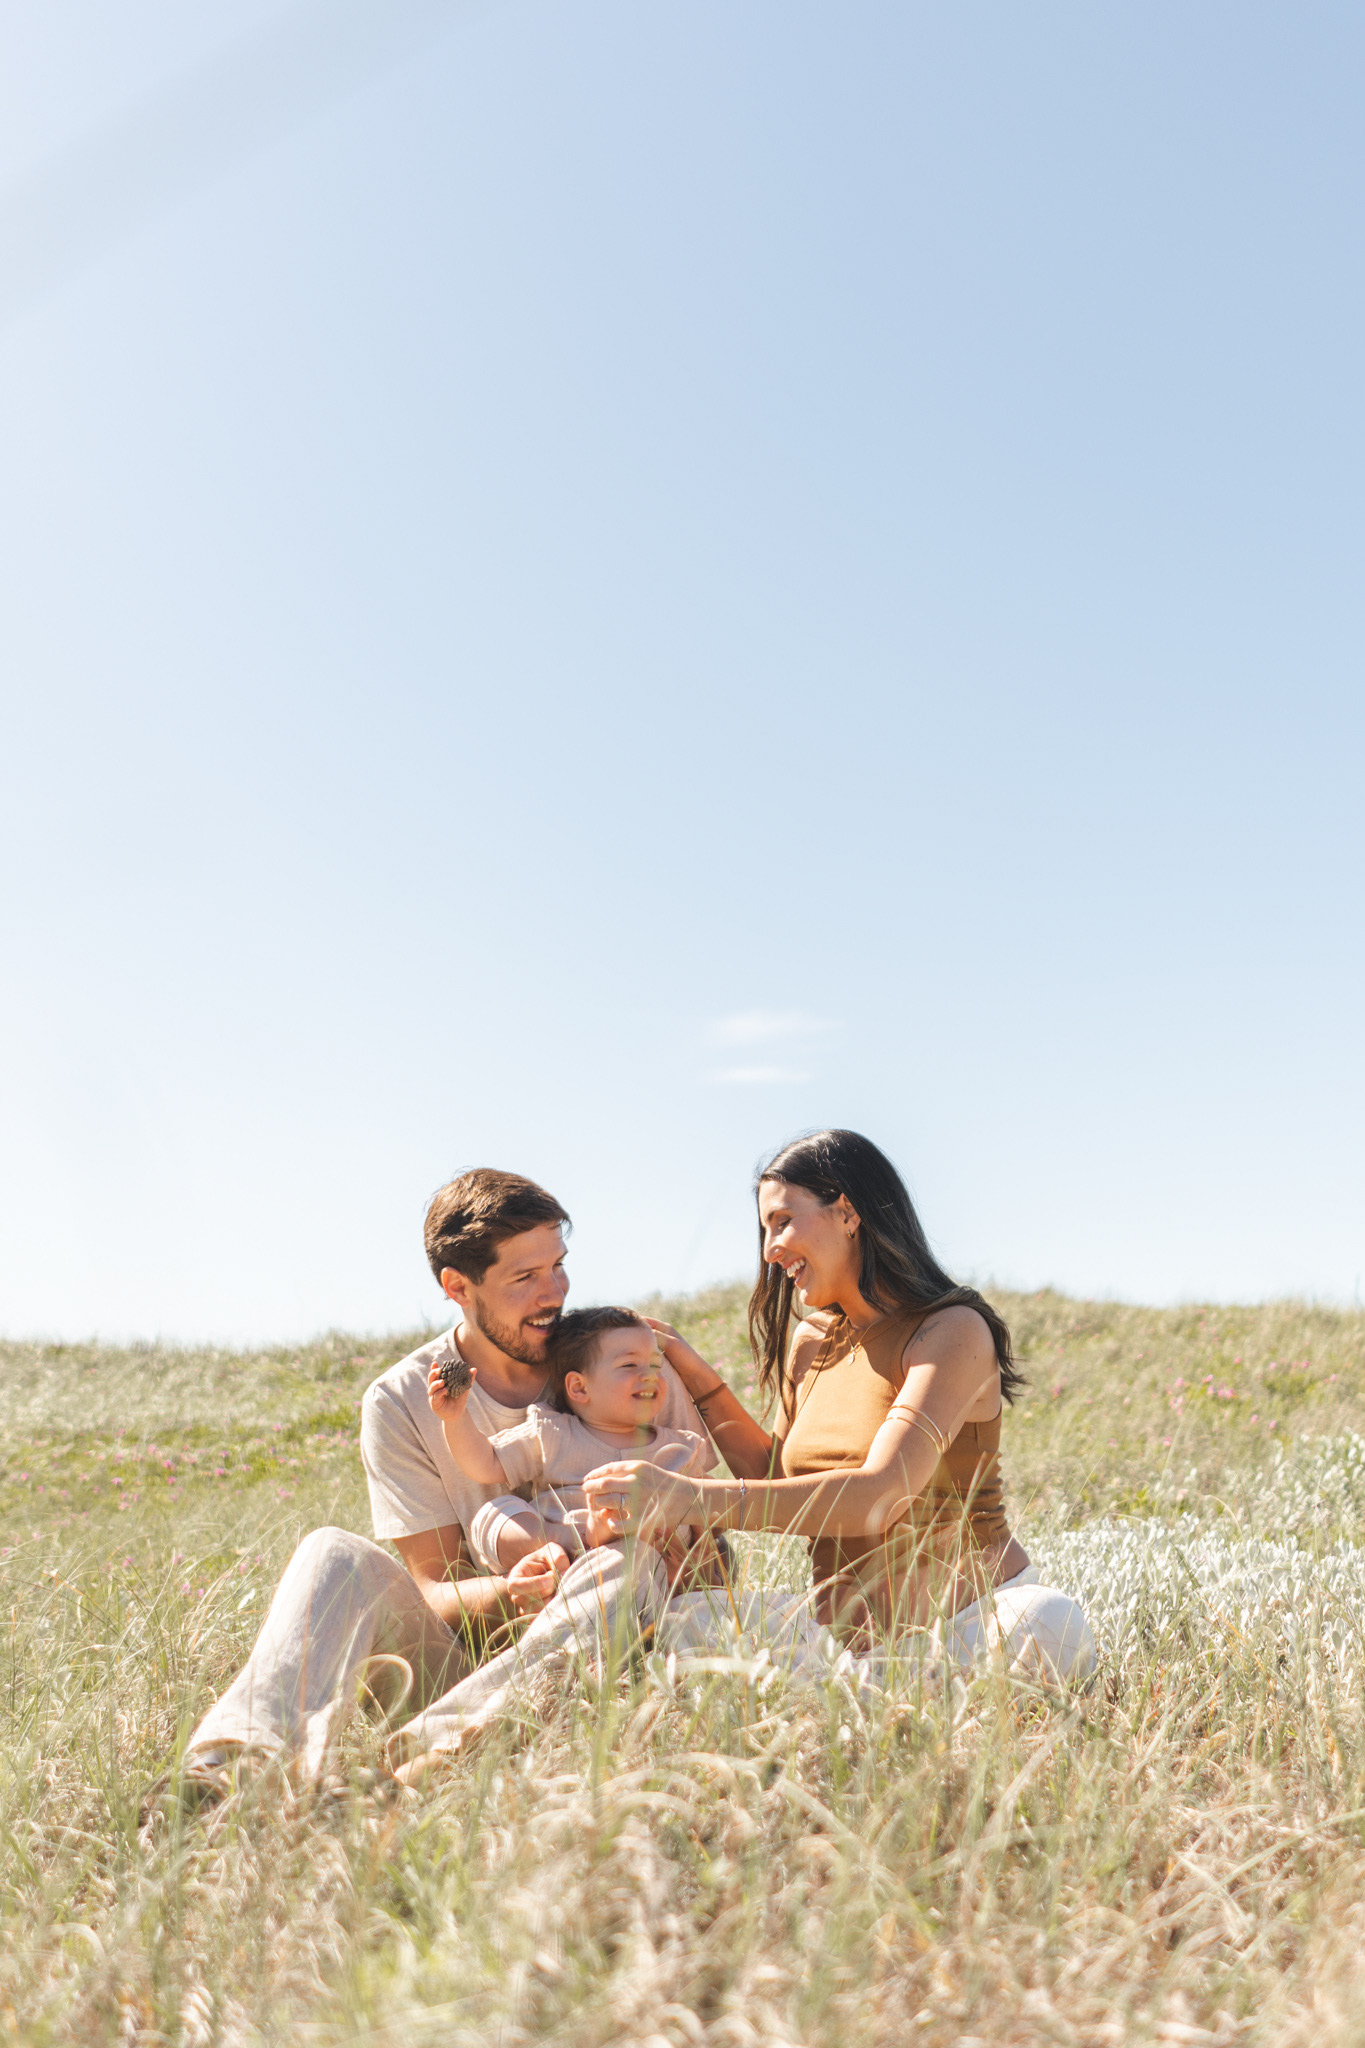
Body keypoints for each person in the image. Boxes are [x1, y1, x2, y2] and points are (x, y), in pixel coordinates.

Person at [387, 1131, 1093, 1787]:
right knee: (671, 1620)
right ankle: (454, 1737)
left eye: (782, 1222)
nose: (770, 1250)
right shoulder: (813, 1341)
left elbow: (879, 1493)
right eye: (763, 1229)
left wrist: (692, 1498)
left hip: (964, 1625)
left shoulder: (950, 1331)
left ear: (846, 1213)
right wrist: (694, 1376)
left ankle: (870, 1720)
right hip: (837, 1638)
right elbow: (780, 1482)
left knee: (1049, 1623)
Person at [159, 1169, 712, 1806]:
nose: (553, 1293)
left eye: (558, 1266)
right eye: (524, 1278)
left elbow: (714, 1551)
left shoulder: (623, 1362)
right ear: (457, 1286)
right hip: (459, 1676)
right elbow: (432, 1591)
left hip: (616, 1674)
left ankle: (407, 1777)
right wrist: (512, 1592)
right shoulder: (402, 1399)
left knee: (626, 1560)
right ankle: (227, 1771)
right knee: (331, 1553)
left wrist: (676, 1548)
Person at [429, 1305, 716, 1574]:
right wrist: (455, 1419)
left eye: (655, 1366)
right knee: (494, 1513)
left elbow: (708, 1523)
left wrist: (702, 1562)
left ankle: (609, 1544)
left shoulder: (682, 1447)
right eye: (630, 1365)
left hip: (652, 1568)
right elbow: (485, 1463)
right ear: (579, 1388)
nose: (649, 1376)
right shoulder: (554, 1434)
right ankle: (566, 1539)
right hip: (569, 1558)